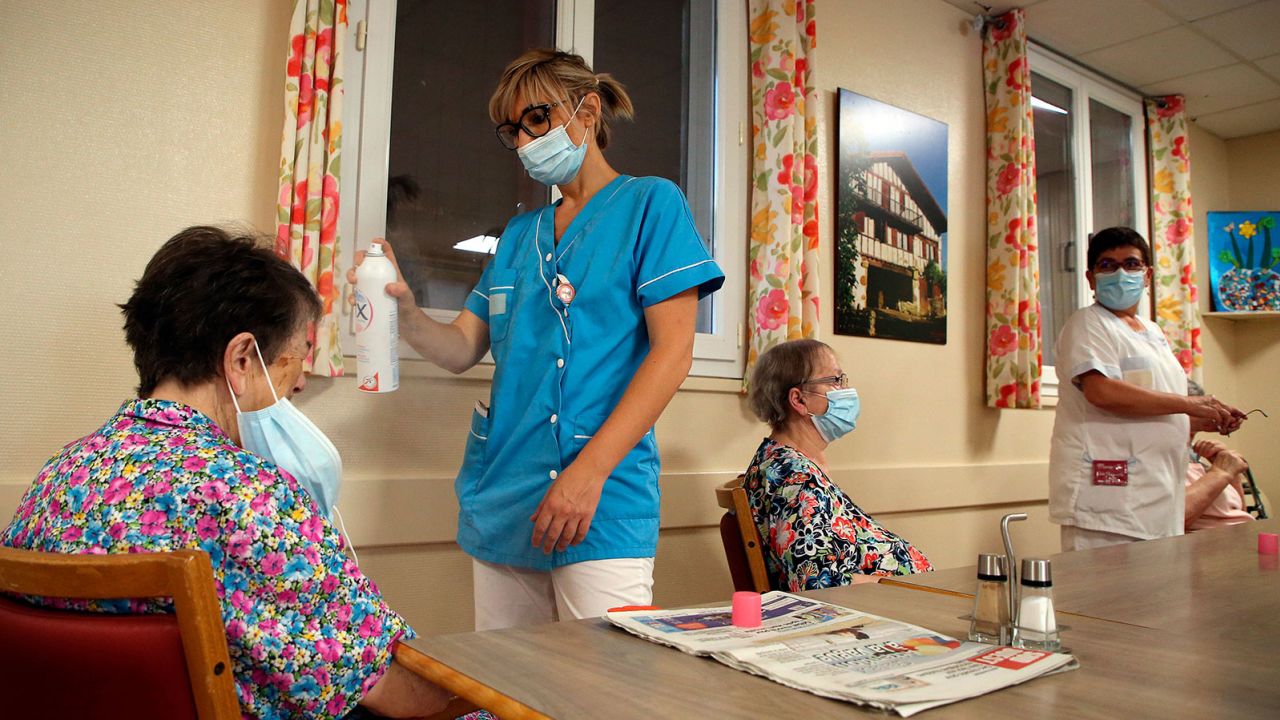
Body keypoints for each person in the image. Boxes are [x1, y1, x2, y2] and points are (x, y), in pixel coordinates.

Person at [1, 227, 451, 719]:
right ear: (241, 358)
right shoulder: (252, 497)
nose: (300, 380)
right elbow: (405, 692)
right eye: (297, 357)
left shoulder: (60, 473)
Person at [348, 49, 724, 630]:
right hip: (506, 490)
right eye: (512, 130)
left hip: (600, 492)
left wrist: (587, 474)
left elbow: (672, 354)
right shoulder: (520, 237)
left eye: (537, 119)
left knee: (599, 689)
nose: (524, 141)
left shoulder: (652, 204)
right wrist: (405, 310)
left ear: (588, 111)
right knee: (510, 688)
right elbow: (460, 349)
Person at [1048, 227, 1247, 552]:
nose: (1120, 273)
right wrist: (1190, 404)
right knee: (1107, 601)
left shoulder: (1152, 333)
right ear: (1090, 277)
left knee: (1163, 599)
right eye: (1107, 265)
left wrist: (1203, 418)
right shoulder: (1088, 323)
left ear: (1148, 275)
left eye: (1131, 263)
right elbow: (1102, 392)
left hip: (1158, 498)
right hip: (1109, 502)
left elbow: (1152, 407)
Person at [743, 339, 933, 591]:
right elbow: (817, 584)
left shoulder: (788, 463)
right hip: (878, 609)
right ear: (799, 400)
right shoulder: (795, 479)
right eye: (835, 380)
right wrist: (906, 587)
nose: (846, 390)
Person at [1184, 381, 1254, 531]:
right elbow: (1175, 518)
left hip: (1245, 536)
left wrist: (1230, 473)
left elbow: (1238, 512)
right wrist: (1221, 472)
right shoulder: (1158, 461)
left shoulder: (1198, 465)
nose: (1195, 427)